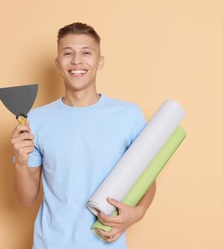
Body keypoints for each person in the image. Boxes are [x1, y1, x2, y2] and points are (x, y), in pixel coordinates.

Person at [10, 22, 156, 248]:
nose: (77, 61)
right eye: (68, 53)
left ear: (100, 61)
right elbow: (27, 199)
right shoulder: (36, 120)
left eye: (86, 53)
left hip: (107, 242)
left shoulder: (128, 115)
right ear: (58, 63)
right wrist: (20, 163)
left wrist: (139, 212)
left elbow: (147, 176)